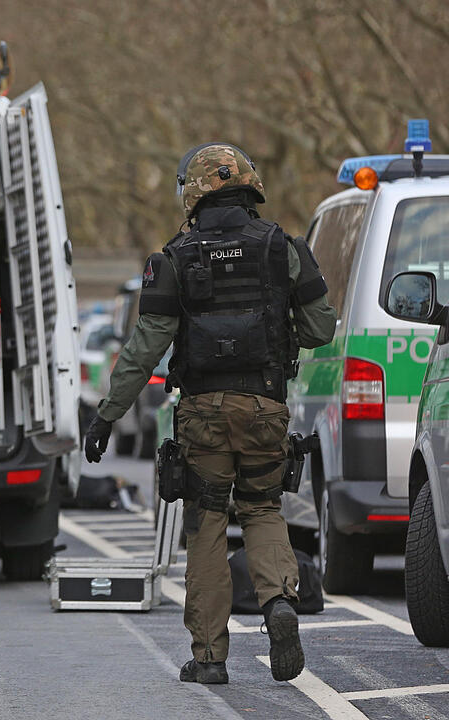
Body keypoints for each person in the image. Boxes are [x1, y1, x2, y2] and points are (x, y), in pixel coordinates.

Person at [83, 144, 336, 684]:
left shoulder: (174, 257)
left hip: (201, 414)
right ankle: (278, 604)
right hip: (265, 406)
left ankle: (209, 658)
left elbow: (144, 348)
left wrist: (106, 415)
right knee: (264, 509)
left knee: (206, 524)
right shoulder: (284, 248)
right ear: (251, 187)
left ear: (192, 194)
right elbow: (320, 330)